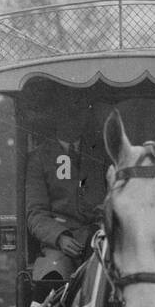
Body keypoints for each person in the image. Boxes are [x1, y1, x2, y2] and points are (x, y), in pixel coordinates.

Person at [25, 105, 106, 279]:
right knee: (51, 275)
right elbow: (36, 214)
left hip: (100, 239)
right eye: (68, 113)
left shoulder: (100, 154)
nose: (74, 120)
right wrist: (60, 237)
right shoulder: (39, 158)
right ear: (56, 118)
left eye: (79, 113)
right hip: (61, 244)